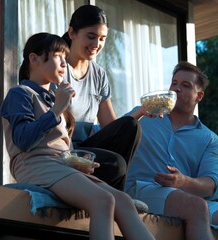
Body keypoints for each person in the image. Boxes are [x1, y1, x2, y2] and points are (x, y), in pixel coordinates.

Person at [1, 32, 154, 240]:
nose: (64, 63)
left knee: (124, 201)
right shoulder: (20, 94)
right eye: (58, 56)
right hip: (34, 164)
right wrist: (56, 111)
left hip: (59, 165)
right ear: (34, 59)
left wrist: (78, 162)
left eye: (65, 58)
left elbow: (63, 147)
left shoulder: (55, 100)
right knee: (103, 201)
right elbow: (23, 141)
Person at [124, 61, 218, 240]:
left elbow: (211, 185)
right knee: (195, 206)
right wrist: (137, 114)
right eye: (174, 83)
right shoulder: (145, 115)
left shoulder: (210, 140)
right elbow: (111, 133)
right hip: (140, 190)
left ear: (199, 96)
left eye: (185, 85)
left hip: (188, 201)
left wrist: (183, 181)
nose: (177, 89)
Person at [58, 5, 150, 190]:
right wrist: (71, 155)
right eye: (91, 36)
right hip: (61, 151)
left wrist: (142, 111)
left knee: (130, 126)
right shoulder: (57, 68)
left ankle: (117, 197)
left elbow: (111, 126)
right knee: (116, 164)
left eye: (102, 39)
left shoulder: (99, 74)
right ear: (72, 33)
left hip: (86, 149)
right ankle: (117, 197)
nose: (96, 44)